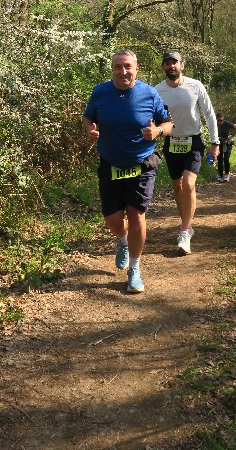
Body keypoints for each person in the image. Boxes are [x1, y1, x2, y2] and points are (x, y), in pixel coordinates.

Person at [83, 49, 173, 294]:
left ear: (136, 68)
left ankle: (135, 268)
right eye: (118, 67)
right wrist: (90, 130)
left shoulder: (149, 93)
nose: (123, 72)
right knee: (112, 221)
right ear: (112, 69)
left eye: (127, 67)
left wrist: (158, 131)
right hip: (110, 163)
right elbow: (87, 118)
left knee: (136, 215)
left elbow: (168, 123)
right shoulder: (100, 92)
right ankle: (123, 240)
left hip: (142, 164)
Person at [155, 50, 220, 256]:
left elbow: (209, 113)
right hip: (171, 142)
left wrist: (215, 142)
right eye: (167, 63)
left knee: (188, 184)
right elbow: (152, 117)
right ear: (163, 67)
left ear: (182, 65)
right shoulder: (157, 91)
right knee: (177, 187)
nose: (171, 66)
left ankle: (184, 231)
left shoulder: (195, 85)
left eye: (174, 62)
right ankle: (187, 224)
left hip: (193, 141)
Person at [216, 112, 236, 183]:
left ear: (223, 119)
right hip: (219, 142)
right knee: (219, 159)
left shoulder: (227, 124)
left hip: (227, 143)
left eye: (221, 120)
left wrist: (232, 135)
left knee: (226, 158)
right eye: (218, 120)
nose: (220, 122)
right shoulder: (214, 124)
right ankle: (221, 176)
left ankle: (227, 174)